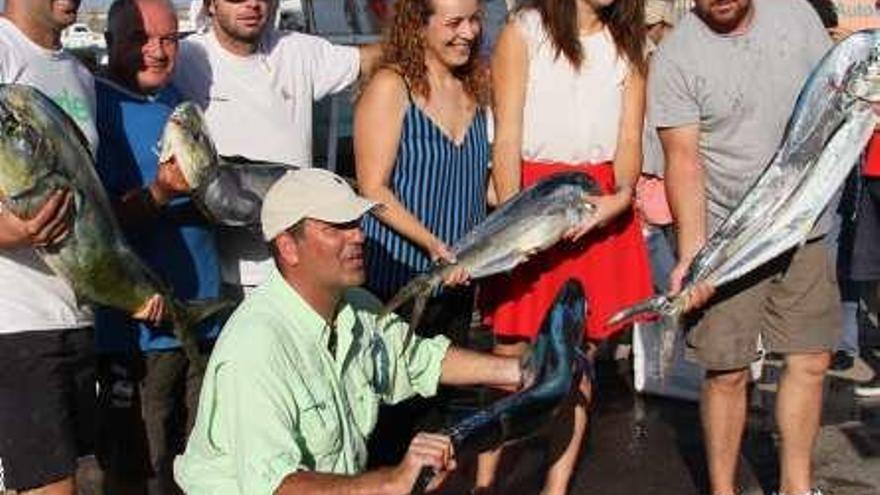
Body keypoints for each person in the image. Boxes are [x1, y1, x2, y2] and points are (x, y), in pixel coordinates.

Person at [174, 168, 527, 494]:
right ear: (287, 247)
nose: (358, 236)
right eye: (335, 227)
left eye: (356, 223)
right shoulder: (256, 347)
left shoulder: (356, 304)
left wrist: (517, 371)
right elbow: (277, 486)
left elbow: (415, 358)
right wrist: (392, 482)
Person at [648, 1, 839, 494]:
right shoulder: (676, 56)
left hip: (804, 222)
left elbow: (834, 89)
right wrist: (695, 254)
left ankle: (797, 486)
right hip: (727, 234)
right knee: (728, 370)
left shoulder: (796, 14)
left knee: (810, 358)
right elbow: (683, 160)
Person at [476, 0, 653, 493]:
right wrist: (514, 225)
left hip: (598, 206)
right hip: (533, 201)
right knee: (509, 351)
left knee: (579, 356)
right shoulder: (523, 31)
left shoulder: (632, 43)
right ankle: (485, 484)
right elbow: (506, 137)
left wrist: (617, 202)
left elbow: (629, 139)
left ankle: (556, 489)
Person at [91, 0, 225, 493]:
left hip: (203, 321)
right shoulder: (96, 105)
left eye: (168, 39)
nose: (156, 51)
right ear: (110, 42)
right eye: (140, 39)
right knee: (138, 474)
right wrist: (162, 191)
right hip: (138, 336)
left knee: (200, 471)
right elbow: (95, 226)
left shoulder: (178, 102)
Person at [355, 0, 490, 466]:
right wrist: (435, 246)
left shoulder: (475, 88)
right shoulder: (393, 87)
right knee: (389, 416)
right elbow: (373, 188)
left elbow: (479, 184)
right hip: (397, 280)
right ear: (420, 24)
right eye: (454, 22)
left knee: (438, 417)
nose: (468, 33)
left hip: (457, 284)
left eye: (474, 20)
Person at [173, 0, 381, 294]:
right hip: (226, 273)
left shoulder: (296, 50)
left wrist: (434, 39)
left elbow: (370, 59)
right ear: (210, 5)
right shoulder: (186, 58)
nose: (253, 4)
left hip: (301, 267)